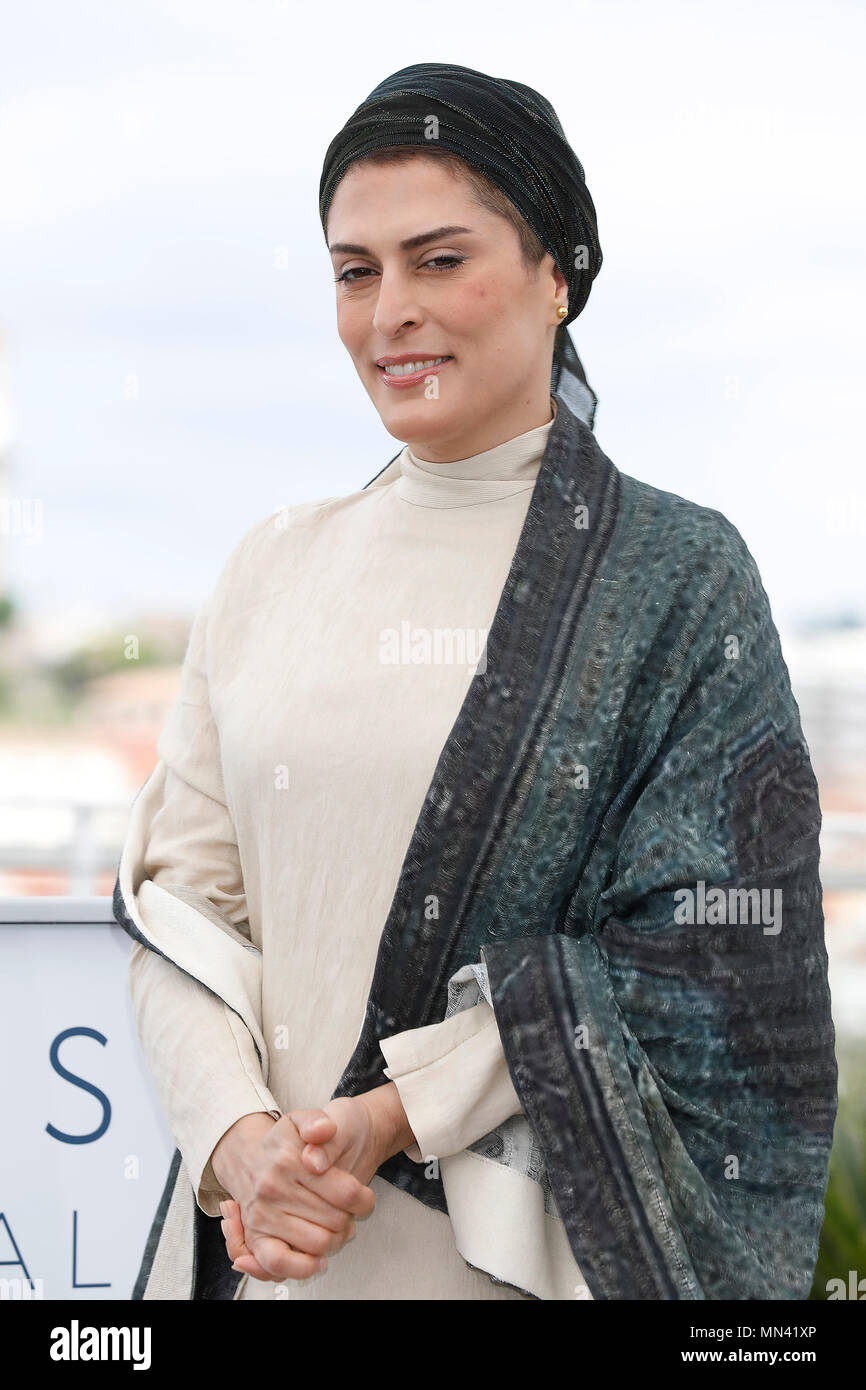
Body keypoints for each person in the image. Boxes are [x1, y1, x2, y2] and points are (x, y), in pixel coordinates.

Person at [114, 63, 837, 1302]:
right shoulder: (269, 568)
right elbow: (184, 908)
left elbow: (713, 956)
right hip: (278, 1258)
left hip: (523, 1268)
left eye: (437, 260)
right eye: (355, 270)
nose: (389, 309)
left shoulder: (670, 576)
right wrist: (239, 1143)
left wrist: (400, 1109)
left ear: (557, 273)